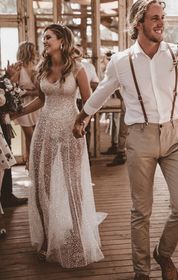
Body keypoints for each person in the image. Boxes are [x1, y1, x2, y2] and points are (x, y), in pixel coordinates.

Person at [73, 0, 178, 280]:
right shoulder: (121, 61)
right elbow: (102, 92)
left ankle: (163, 253)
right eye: (154, 18)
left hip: (175, 137)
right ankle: (141, 272)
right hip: (140, 136)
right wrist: (82, 115)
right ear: (138, 24)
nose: (160, 23)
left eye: (162, 17)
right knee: (140, 211)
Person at [13, 24, 105, 267]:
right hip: (44, 130)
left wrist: (81, 123)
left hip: (69, 131)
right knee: (42, 184)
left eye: (48, 37)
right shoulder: (42, 68)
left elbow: (90, 102)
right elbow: (41, 100)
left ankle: (77, 235)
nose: (44, 41)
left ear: (62, 40)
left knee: (73, 184)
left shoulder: (78, 68)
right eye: (44, 38)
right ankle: (45, 238)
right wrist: (16, 112)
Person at [13, 41, 41, 168]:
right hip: (22, 106)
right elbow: (12, 90)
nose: (36, 52)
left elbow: (40, 92)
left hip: (36, 106)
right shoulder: (19, 69)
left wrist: (27, 92)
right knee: (30, 136)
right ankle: (30, 163)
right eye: (34, 50)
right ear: (28, 52)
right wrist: (24, 93)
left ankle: (33, 162)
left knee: (37, 136)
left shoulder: (37, 69)